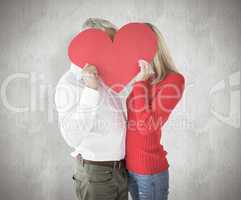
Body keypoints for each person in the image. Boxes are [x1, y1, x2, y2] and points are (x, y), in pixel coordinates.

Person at [55, 18, 128, 200]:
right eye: (108, 45)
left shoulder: (107, 78)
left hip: (120, 172)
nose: (114, 53)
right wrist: (90, 90)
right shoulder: (69, 84)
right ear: (89, 45)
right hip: (96, 176)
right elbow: (73, 137)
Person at [126, 23, 185, 200]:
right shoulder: (143, 78)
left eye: (142, 45)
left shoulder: (173, 80)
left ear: (155, 47)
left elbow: (146, 126)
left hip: (149, 173)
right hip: (129, 168)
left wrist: (139, 84)